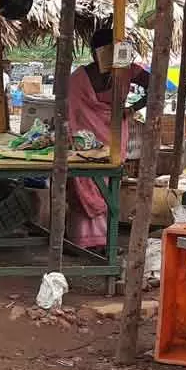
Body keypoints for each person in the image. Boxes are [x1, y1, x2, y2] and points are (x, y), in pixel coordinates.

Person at [67, 28, 149, 250]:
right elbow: (70, 111)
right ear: (95, 53)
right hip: (86, 146)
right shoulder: (79, 78)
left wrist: (132, 109)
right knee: (86, 184)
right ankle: (82, 242)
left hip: (111, 140)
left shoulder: (127, 70)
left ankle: (103, 242)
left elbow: (154, 85)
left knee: (106, 185)